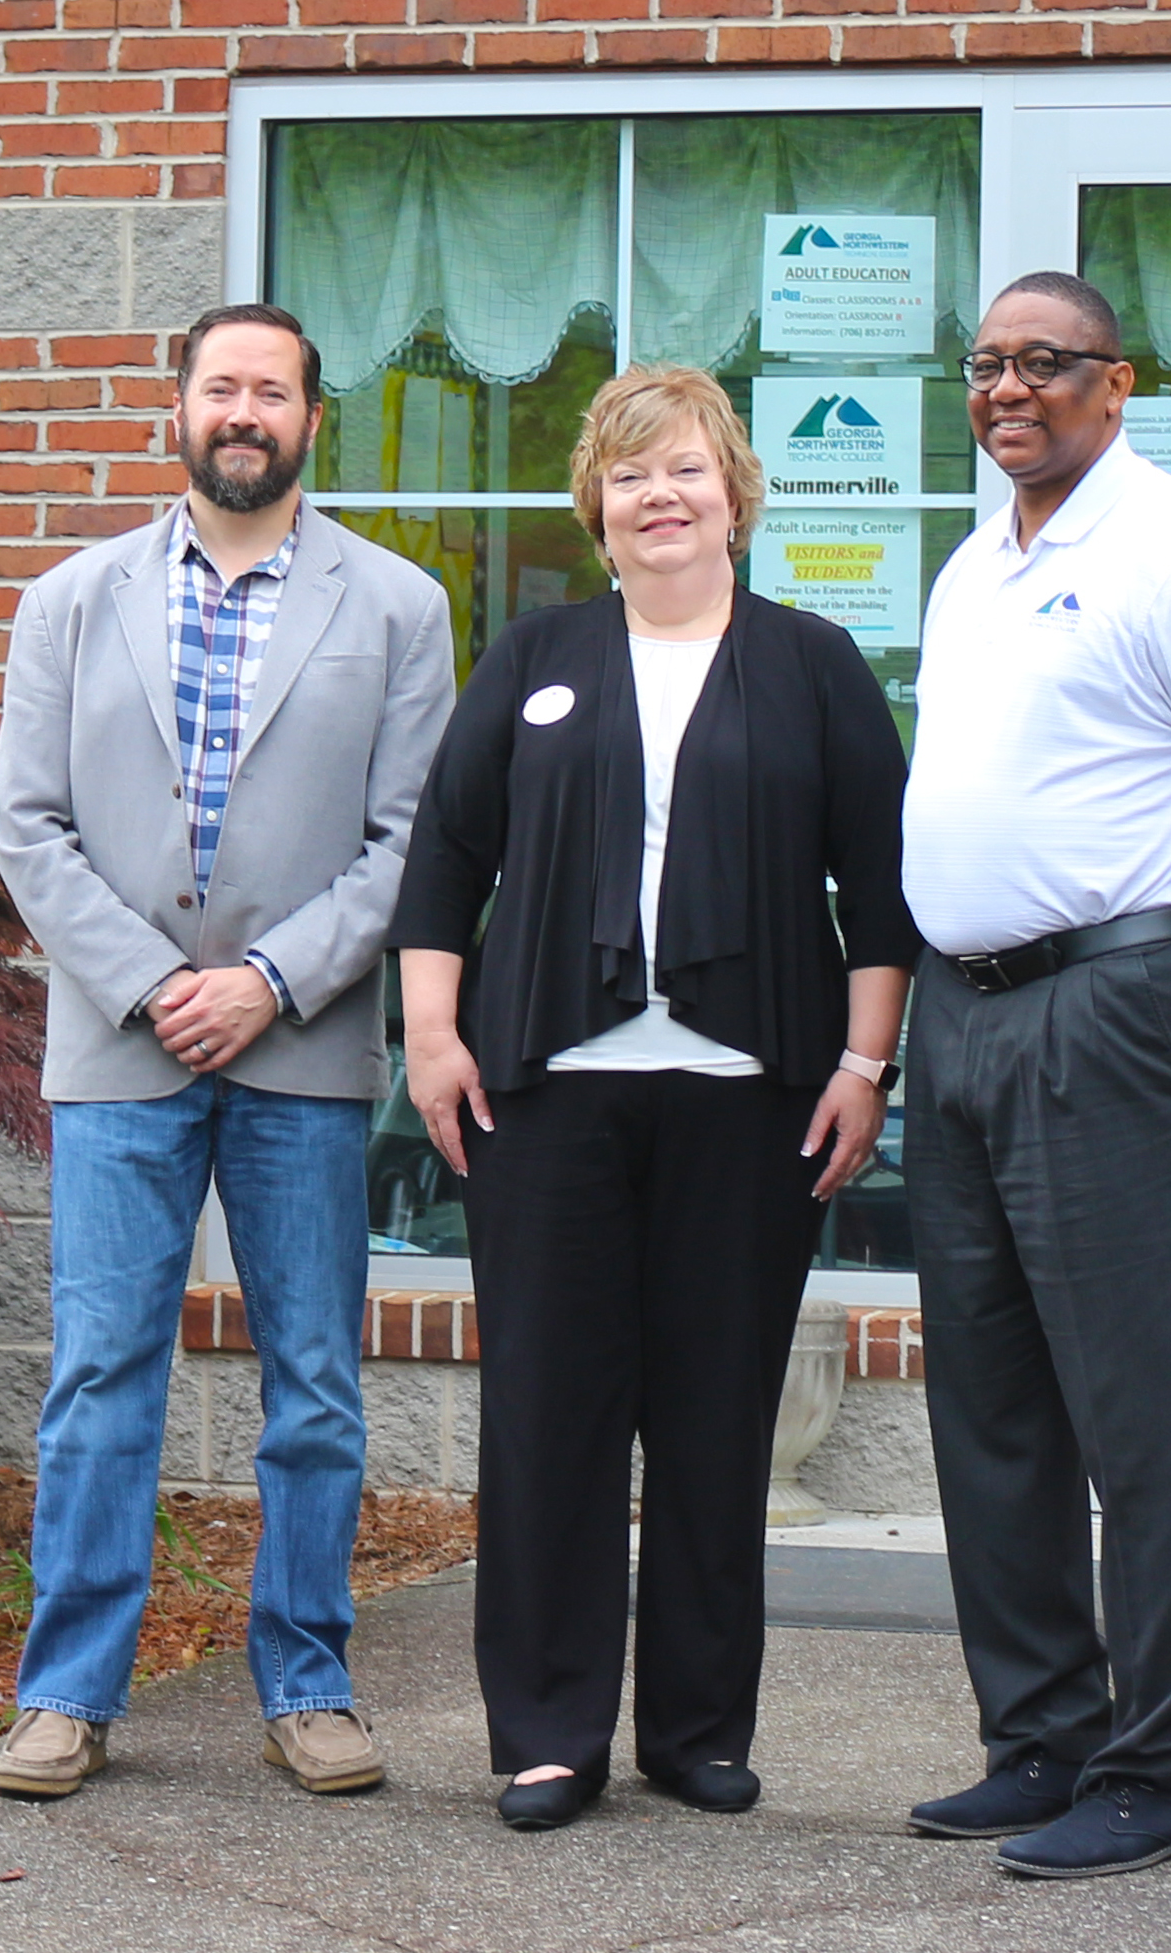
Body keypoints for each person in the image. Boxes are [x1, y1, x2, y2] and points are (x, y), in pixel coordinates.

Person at [390, 366, 919, 1834]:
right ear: (598, 507)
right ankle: (550, 1735)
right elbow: (445, 858)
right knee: (550, 1419)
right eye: (630, 477)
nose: (659, 497)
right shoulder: (538, 655)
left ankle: (696, 1731)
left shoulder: (814, 665)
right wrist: (433, 1037)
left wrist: (865, 1068)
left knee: (714, 1420)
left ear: (735, 492)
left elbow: (882, 896)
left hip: (751, 1103)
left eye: (684, 469)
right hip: (549, 1099)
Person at [896, 271, 1171, 1880]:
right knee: (993, 1400)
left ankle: (1163, 1768)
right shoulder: (975, 564)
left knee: (1142, 1401)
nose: (1010, 389)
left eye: (1047, 364)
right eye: (988, 364)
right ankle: (1044, 1738)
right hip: (969, 1012)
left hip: (1126, 1004)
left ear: (1118, 382)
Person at [0, 304, 455, 1803]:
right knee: (101, 1372)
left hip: (301, 1050)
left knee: (314, 1377)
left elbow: (412, 845)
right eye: (219, 387)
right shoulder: (70, 599)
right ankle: (66, 1694)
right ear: (175, 411)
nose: (243, 410)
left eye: (272, 390)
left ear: (316, 419)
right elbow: (26, 825)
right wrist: (149, 983)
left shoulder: (397, 609)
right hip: (119, 1052)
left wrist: (266, 978)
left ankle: (309, 1678)